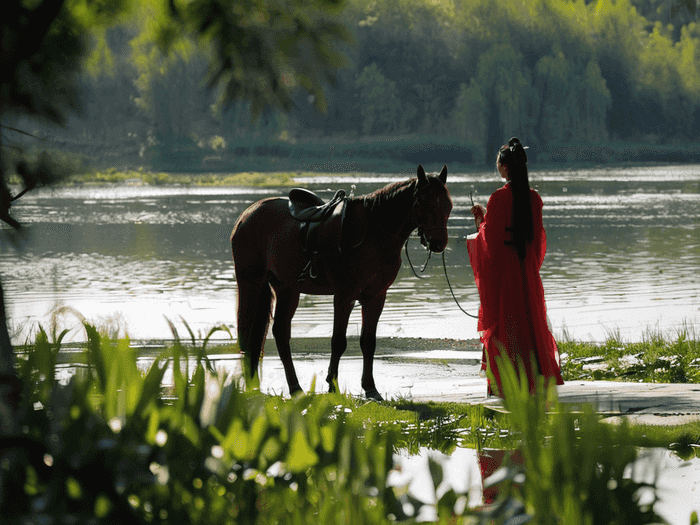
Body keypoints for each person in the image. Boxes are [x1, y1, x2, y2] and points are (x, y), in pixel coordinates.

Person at [466, 137, 563, 397]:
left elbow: (491, 243)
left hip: (506, 271)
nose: (497, 167)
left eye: (498, 163)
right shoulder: (534, 198)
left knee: (505, 323)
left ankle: (505, 381)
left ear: (505, 167)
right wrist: (530, 266)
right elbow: (537, 239)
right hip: (526, 270)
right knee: (530, 321)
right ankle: (534, 376)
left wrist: (480, 224)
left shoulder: (498, 198)